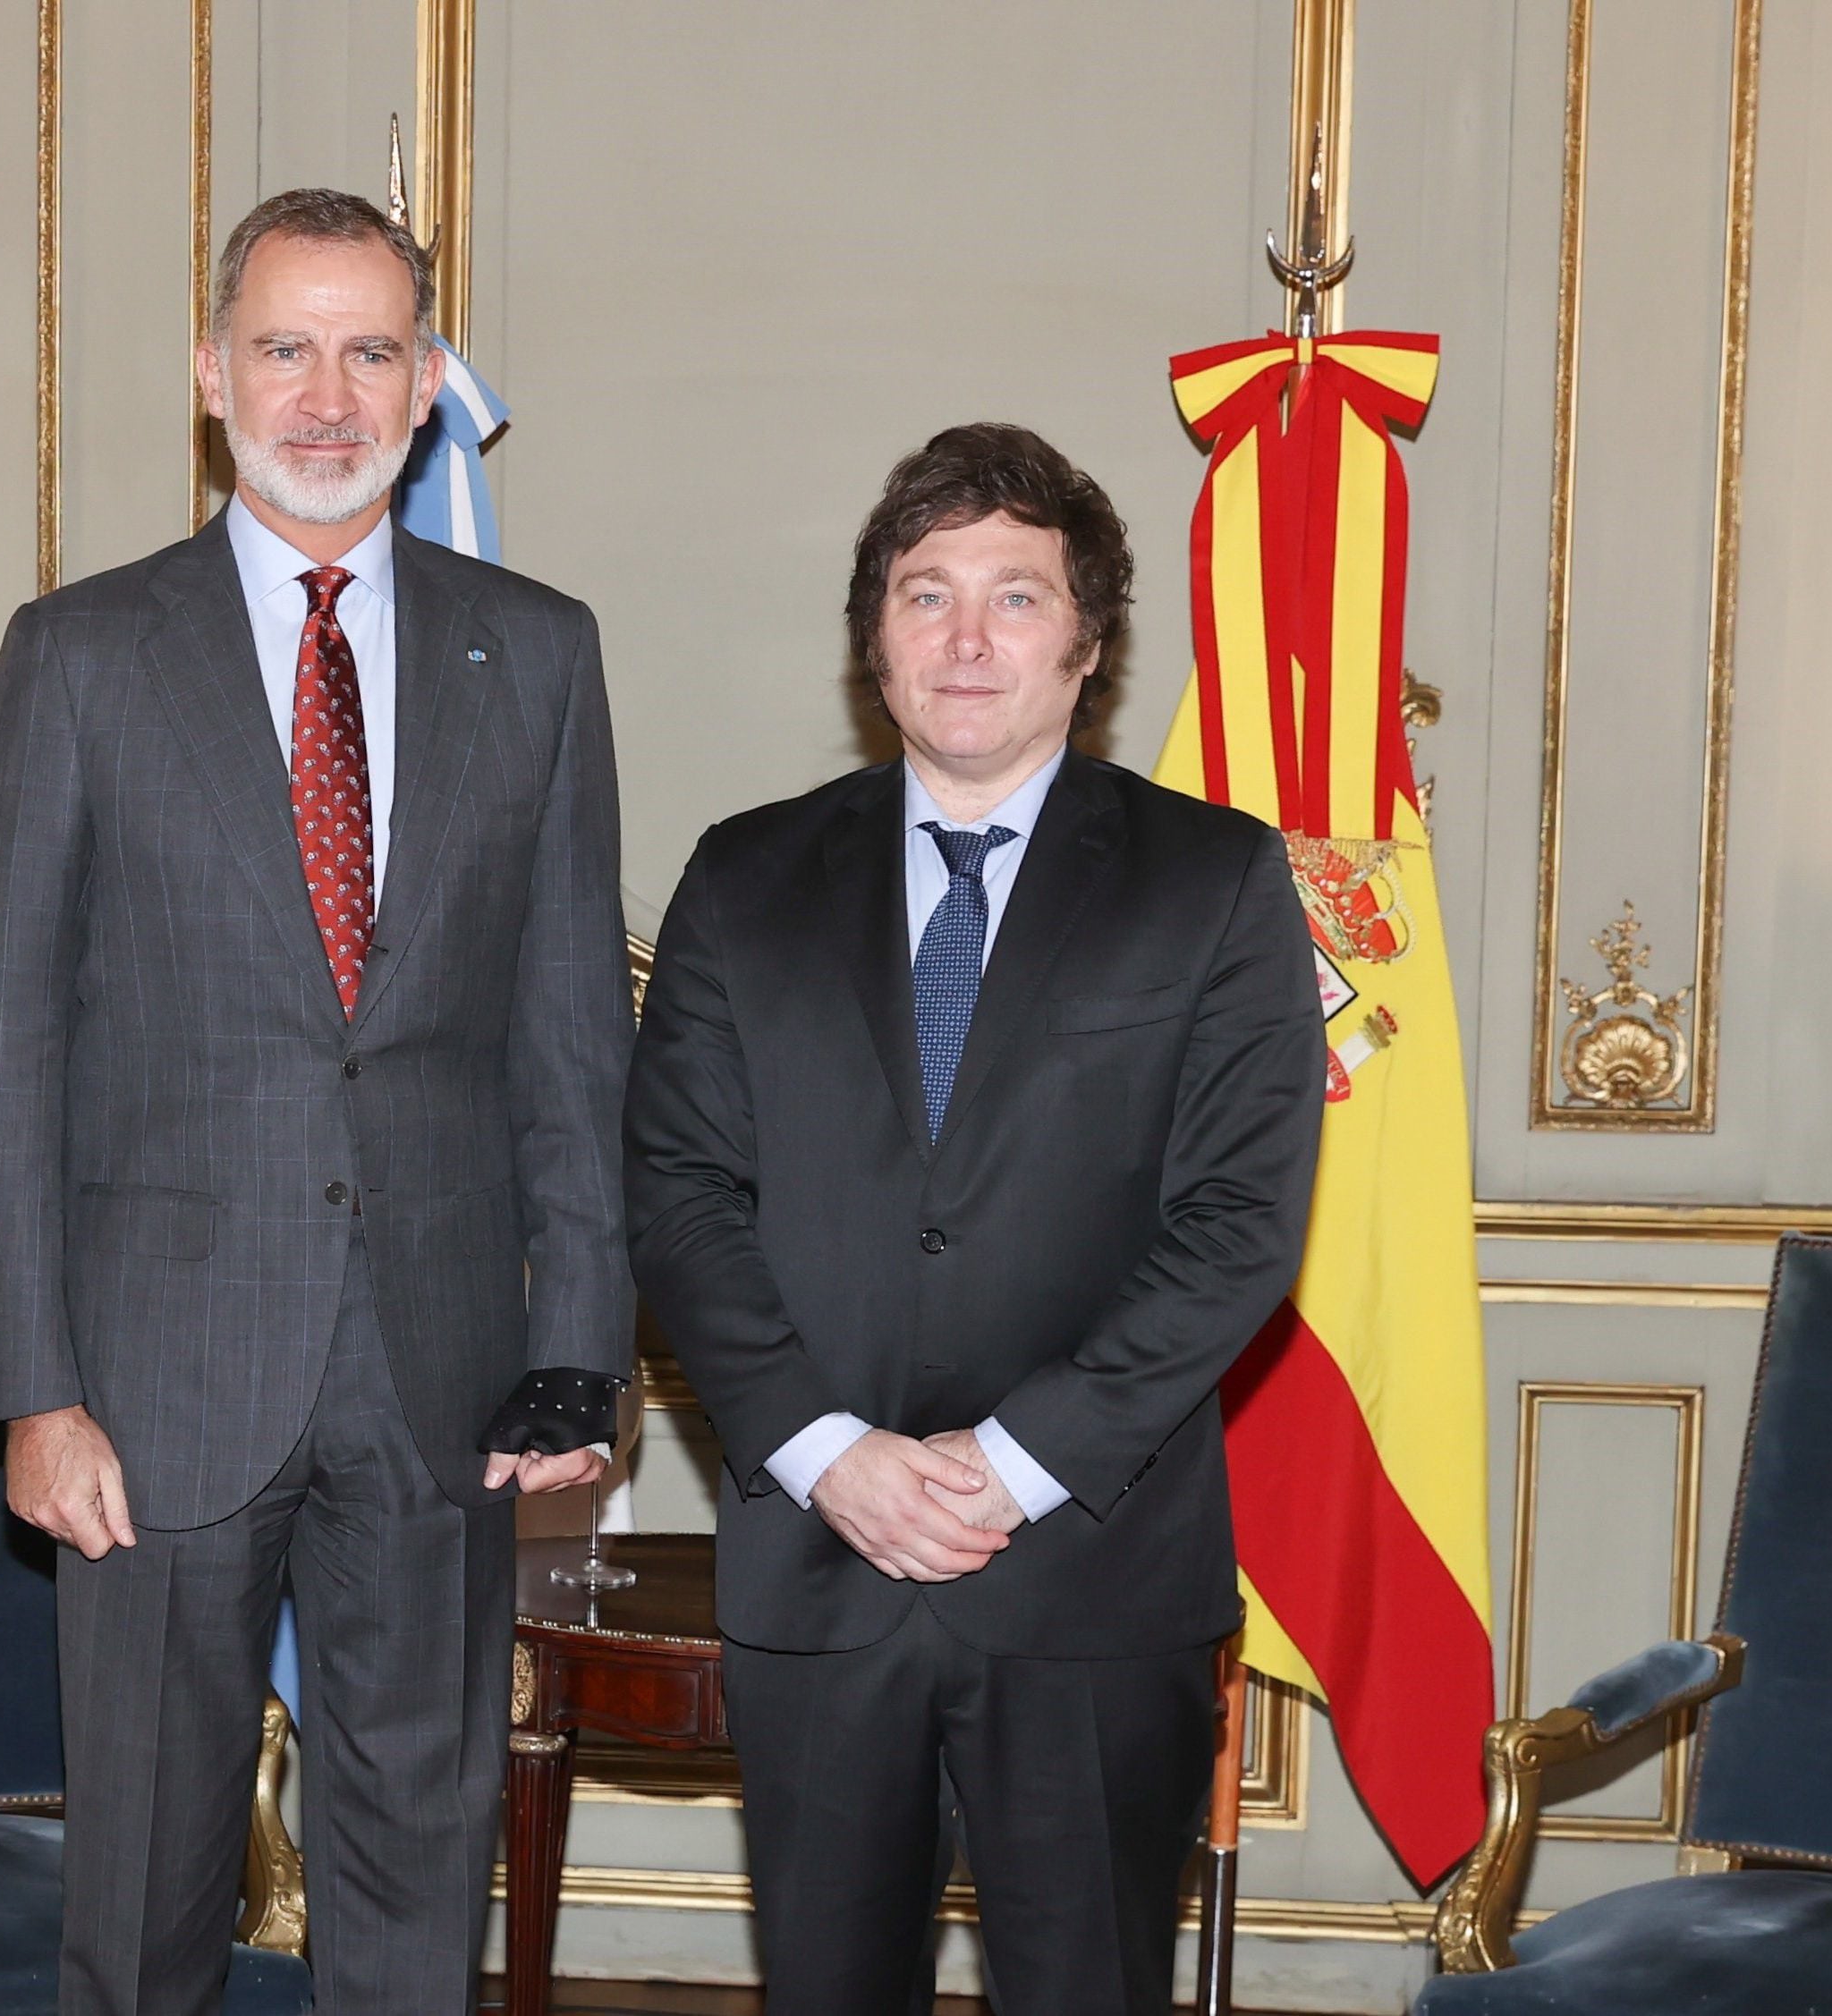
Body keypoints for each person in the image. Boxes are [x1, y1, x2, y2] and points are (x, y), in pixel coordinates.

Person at [0, 185, 635, 2016]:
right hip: (149, 1384)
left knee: (415, 1886)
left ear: (423, 387)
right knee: (148, 1899)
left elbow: (567, 1030)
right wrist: (31, 1388)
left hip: (441, 1373)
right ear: (209, 372)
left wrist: (579, 1337)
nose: (323, 395)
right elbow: (1, 1047)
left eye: (366, 349)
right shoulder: (80, 656)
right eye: (282, 346)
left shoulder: (538, 652)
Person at [625, 423, 1325, 2015]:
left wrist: (1003, 1470)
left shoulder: (1211, 883)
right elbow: (673, 1191)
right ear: (872, 632)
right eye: (923, 591)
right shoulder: (744, 877)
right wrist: (829, 1452)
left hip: (1089, 1575)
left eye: (1014, 598)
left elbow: (1234, 1225)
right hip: (819, 1561)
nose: (962, 636)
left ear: (1087, 645)